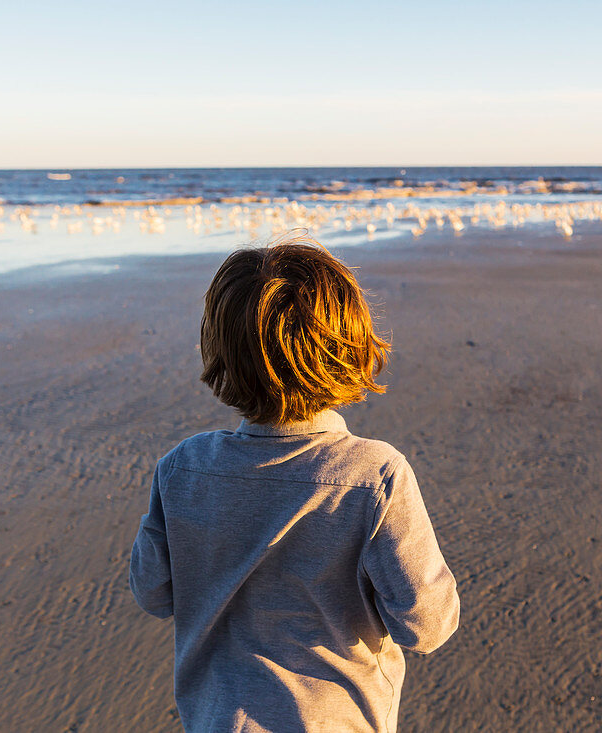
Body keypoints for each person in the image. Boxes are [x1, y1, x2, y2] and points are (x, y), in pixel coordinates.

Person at [129, 232, 459, 732]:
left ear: (221, 351)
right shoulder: (374, 477)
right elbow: (427, 625)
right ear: (348, 345)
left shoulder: (183, 467)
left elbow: (152, 592)